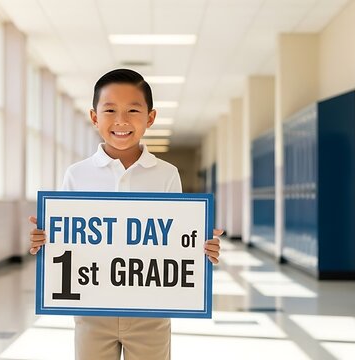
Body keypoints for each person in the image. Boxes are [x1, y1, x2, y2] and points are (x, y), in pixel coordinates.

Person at [28, 68, 222, 360]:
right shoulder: (77, 175)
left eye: (133, 110)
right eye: (110, 110)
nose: (121, 120)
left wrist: (202, 247)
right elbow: (63, 237)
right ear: (94, 117)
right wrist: (43, 239)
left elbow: (178, 240)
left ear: (150, 118)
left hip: (151, 311)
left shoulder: (167, 175)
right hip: (92, 308)